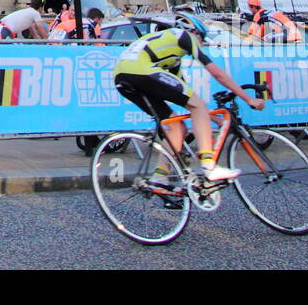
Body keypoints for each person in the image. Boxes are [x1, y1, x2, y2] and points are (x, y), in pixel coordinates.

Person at [112, 14, 265, 182]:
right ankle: (209, 166)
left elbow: (187, 101)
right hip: (140, 70)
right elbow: (217, 74)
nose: (201, 44)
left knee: (177, 125)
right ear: (194, 32)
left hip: (122, 76)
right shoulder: (185, 36)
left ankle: (160, 176)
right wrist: (248, 99)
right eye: (202, 39)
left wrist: (214, 119)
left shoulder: (170, 58)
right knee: (197, 105)